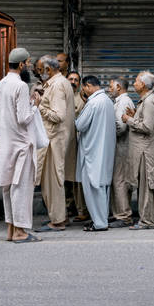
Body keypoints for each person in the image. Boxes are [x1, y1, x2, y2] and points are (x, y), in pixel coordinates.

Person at [0, 48, 42, 244]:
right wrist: (35, 105)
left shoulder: (0, 85)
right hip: (21, 144)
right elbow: (23, 118)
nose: (29, 67)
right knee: (21, 188)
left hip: (6, 143)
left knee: (8, 189)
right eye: (28, 63)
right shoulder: (20, 86)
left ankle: (11, 229)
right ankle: (21, 232)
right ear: (21, 65)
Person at [34, 55, 75, 232]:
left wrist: (39, 105)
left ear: (48, 70)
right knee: (53, 180)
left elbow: (58, 115)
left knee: (52, 181)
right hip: (54, 138)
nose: (38, 72)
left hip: (54, 139)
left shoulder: (58, 85)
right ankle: (60, 217)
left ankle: (57, 221)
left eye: (39, 69)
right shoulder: (57, 83)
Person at [74, 75, 116, 232]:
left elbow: (80, 125)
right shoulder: (107, 101)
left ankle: (99, 223)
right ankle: (102, 219)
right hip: (105, 151)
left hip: (92, 152)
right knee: (102, 187)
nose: (83, 91)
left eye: (84, 87)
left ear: (88, 86)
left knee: (93, 188)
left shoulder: (93, 103)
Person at [123, 72, 154, 230]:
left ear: (144, 85)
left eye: (137, 81)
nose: (134, 83)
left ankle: (147, 221)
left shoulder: (149, 102)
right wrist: (135, 117)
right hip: (142, 150)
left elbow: (147, 127)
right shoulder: (145, 101)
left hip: (145, 152)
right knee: (145, 186)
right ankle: (151, 218)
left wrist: (129, 120)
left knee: (147, 187)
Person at [108, 77, 136, 228]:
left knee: (120, 181)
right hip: (120, 147)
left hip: (122, 147)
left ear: (118, 87)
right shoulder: (120, 101)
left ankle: (124, 215)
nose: (108, 89)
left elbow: (121, 126)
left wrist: (108, 133)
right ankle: (118, 213)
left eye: (110, 86)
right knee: (117, 180)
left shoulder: (124, 102)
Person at [64, 71, 89, 223]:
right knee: (64, 179)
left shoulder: (82, 98)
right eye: (70, 79)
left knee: (77, 180)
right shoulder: (62, 96)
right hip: (64, 143)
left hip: (78, 143)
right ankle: (67, 207)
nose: (73, 82)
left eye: (76, 80)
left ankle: (82, 210)